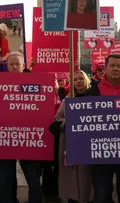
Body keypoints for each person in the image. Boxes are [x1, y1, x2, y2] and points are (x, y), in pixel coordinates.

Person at [0, 52, 42, 203]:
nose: (15, 67)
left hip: (29, 140)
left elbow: (43, 110)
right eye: (12, 64)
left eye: (18, 64)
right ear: (7, 66)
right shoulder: (0, 86)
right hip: (5, 139)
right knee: (4, 180)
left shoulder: (37, 83)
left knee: (33, 181)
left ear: (23, 65)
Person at [85, 54, 120, 203]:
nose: (116, 68)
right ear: (105, 68)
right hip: (101, 153)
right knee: (102, 194)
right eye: (112, 65)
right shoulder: (92, 92)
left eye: (119, 66)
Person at [49, 70, 93, 203]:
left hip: (88, 145)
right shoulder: (67, 101)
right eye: (76, 79)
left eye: (81, 78)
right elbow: (57, 119)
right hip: (69, 144)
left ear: (87, 81)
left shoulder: (94, 99)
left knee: (87, 177)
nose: (78, 81)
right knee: (72, 179)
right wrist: (67, 123)